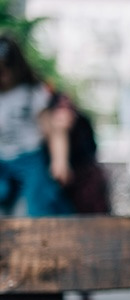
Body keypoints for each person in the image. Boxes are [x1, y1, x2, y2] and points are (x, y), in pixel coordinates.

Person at [0, 35, 74, 216]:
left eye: (7, 69)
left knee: (37, 204)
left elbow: (53, 130)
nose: (5, 76)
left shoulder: (32, 92)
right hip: (2, 160)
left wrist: (60, 161)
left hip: (30, 158)